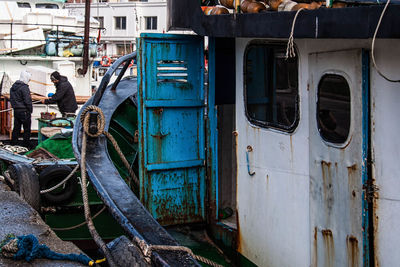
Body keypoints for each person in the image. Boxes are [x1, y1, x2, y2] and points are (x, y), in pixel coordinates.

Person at [10, 70, 33, 148]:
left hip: (16, 110)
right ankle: (26, 144)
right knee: (27, 129)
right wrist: (30, 109)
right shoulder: (24, 87)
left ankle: (13, 143)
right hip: (24, 110)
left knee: (16, 127)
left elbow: (12, 99)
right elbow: (27, 100)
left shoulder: (13, 87)